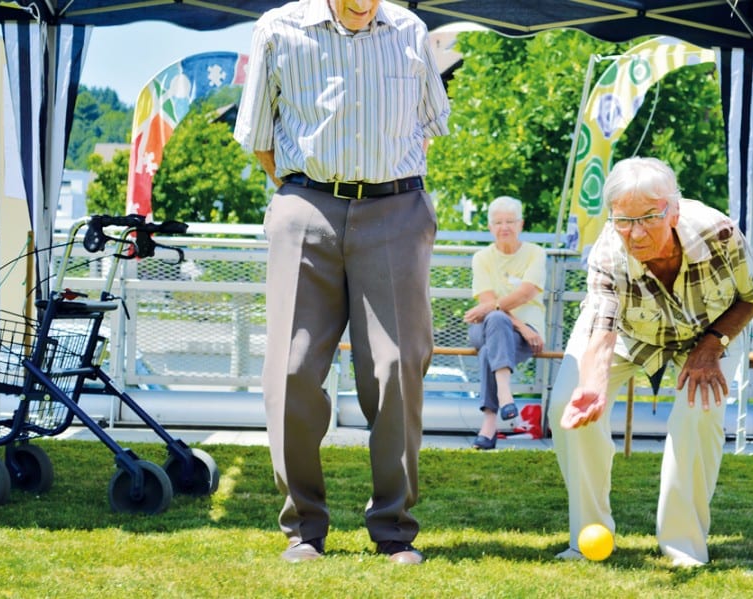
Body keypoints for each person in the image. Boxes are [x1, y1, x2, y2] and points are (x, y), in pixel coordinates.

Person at [233, 0, 450, 565]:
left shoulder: (410, 29)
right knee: (290, 368)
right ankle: (304, 527)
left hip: (396, 211)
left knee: (397, 365)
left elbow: (429, 126)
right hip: (307, 204)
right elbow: (258, 134)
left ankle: (394, 528)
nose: (364, 4)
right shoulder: (278, 29)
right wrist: (310, 191)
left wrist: (383, 185)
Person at [548, 157, 753, 567]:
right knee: (566, 404)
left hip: (709, 331)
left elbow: (752, 297)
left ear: (674, 210)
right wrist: (591, 386)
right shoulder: (607, 254)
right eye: (623, 220)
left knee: (698, 415)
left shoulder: (718, 233)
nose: (636, 232)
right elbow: (602, 328)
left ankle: (683, 545)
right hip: (629, 332)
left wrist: (712, 345)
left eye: (648, 217)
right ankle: (587, 537)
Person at [462, 196, 547, 450]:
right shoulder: (482, 258)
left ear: (521, 224)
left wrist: (518, 326)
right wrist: (518, 325)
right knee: (496, 319)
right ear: (490, 227)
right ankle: (505, 394)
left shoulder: (536, 254)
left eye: (510, 221)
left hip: (523, 335)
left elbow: (526, 294)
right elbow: (488, 305)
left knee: (490, 349)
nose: (504, 227)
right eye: (498, 222)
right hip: (488, 327)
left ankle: (488, 426)